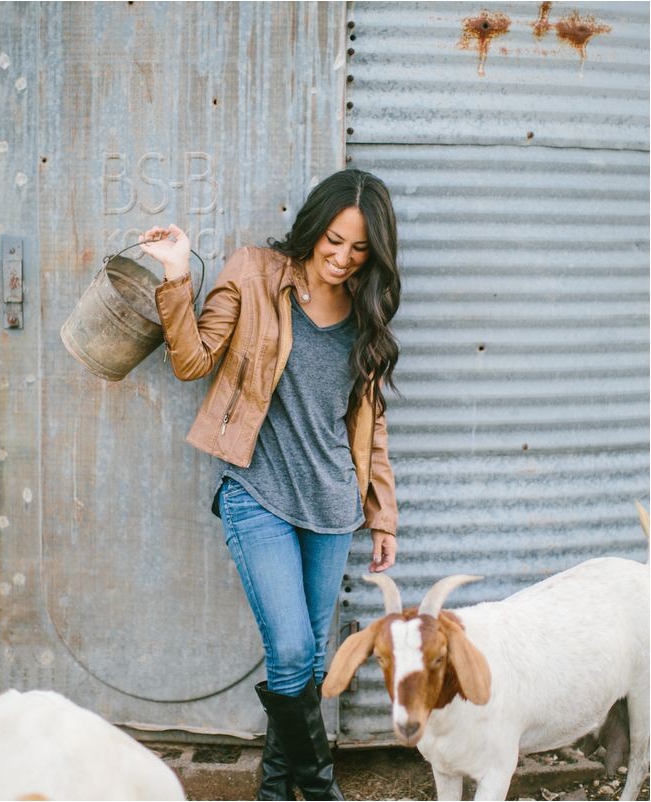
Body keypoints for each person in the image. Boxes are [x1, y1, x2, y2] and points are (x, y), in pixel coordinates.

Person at [140, 169, 400, 801]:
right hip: (256, 490)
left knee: (309, 660)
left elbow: (370, 424)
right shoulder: (255, 272)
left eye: (359, 249)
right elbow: (193, 360)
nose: (342, 258)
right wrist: (176, 273)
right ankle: (321, 789)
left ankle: (277, 791)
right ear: (314, 228)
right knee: (290, 648)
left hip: (331, 503)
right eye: (334, 241)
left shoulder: (366, 308)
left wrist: (382, 515)